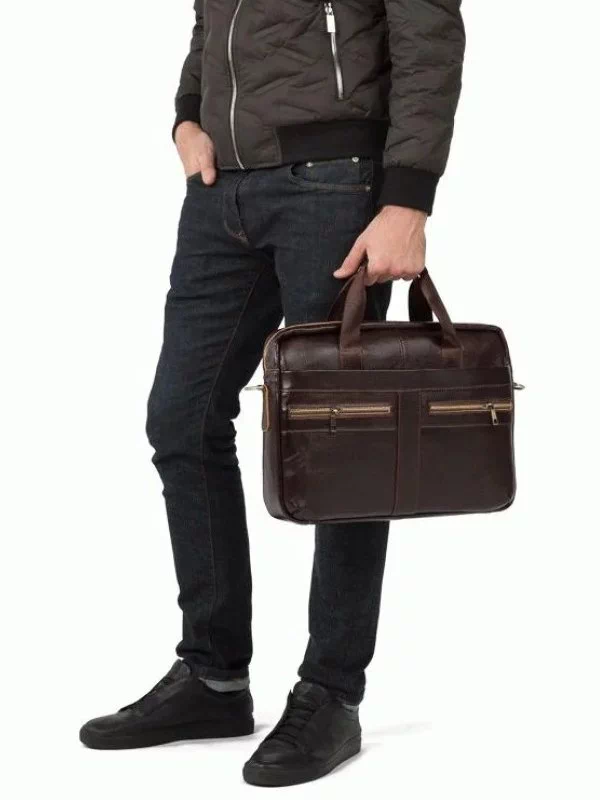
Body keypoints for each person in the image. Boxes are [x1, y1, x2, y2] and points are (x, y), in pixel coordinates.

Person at [80, 0, 465, 786]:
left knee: (341, 439)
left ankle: (332, 692)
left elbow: (427, 34)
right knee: (180, 421)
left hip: (335, 183)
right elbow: (210, 22)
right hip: (220, 191)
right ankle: (214, 677)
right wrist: (188, 115)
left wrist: (407, 199)